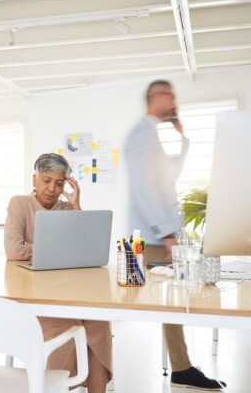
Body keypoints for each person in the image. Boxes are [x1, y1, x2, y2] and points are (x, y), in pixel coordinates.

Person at [124, 80, 226, 390]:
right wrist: (167, 234)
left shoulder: (152, 134)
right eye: (170, 96)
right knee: (168, 301)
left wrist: (183, 141)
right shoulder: (141, 134)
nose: (174, 102)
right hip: (155, 239)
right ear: (156, 97)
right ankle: (181, 368)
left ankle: (181, 367)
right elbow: (144, 190)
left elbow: (171, 176)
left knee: (173, 301)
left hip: (162, 236)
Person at [4, 153, 112, 393]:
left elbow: (84, 249)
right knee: (69, 323)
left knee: (99, 322)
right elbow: (14, 250)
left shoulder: (67, 208)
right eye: (46, 180)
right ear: (34, 179)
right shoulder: (19, 204)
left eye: (60, 183)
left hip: (67, 291)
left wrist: (75, 206)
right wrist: (56, 247)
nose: (52, 188)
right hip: (35, 298)